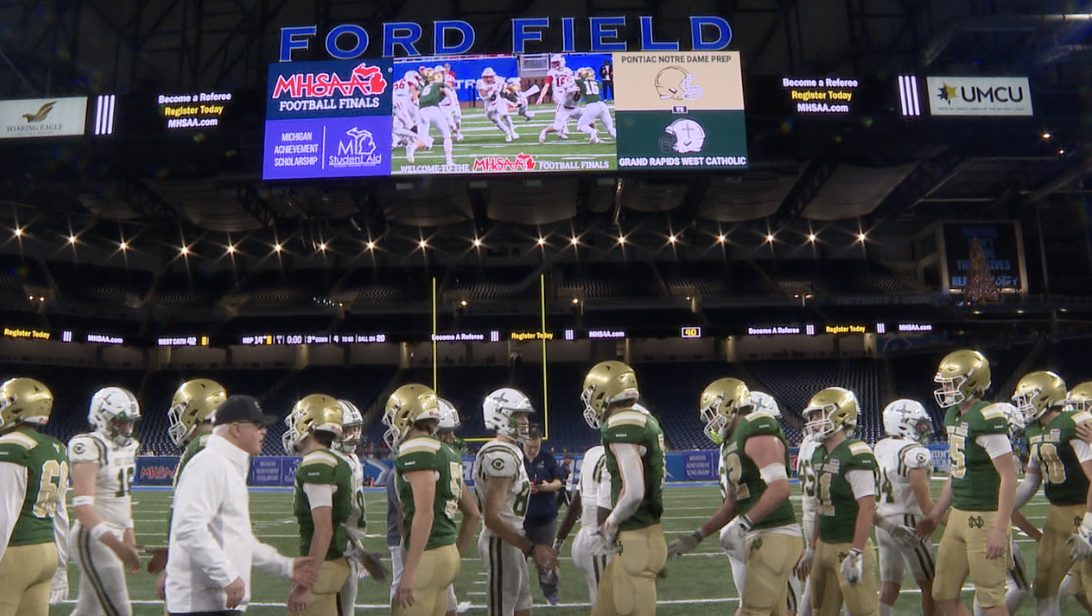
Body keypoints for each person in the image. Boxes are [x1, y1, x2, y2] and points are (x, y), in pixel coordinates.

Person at [165, 395, 316, 615]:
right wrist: (226, 575)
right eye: (258, 425)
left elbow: (239, 540)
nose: (264, 432)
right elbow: (189, 528)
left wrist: (285, 566)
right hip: (201, 605)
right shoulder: (210, 464)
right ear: (235, 429)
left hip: (216, 603)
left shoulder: (227, 466)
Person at [668, 379, 803, 616]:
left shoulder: (756, 425)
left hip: (775, 532)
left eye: (712, 412)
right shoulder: (732, 440)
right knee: (775, 612)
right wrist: (698, 535)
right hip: (758, 533)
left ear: (728, 403)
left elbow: (781, 488)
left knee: (753, 610)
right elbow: (732, 503)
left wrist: (744, 523)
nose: (711, 421)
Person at [915, 350, 1017, 616]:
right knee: (943, 593)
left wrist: (1000, 527)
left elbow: (1009, 475)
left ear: (972, 382)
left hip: (985, 518)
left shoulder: (986, 417)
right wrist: (936, 514)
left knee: (991, 600)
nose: (946, 389)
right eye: (945, 384)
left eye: (952, 383)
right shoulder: (953, 416)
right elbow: (956, 473)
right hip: (958, 516)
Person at [580, 361, 666, 616]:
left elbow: (635, 491)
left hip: (637, 536)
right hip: (638, 537)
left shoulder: (622, 423)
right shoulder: (642, 419)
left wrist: (611, 521)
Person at [386, 384, 479, 616]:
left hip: (427, 555)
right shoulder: (447, 452)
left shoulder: (416, 450)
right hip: (447, 552)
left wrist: (410, 568)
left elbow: (424, 513)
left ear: (405, 415)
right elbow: (473, 513)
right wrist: (454, 552)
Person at [1011, 371, 1092, 616]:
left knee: (1088, 585)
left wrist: (1088, 525)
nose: (1023, 406)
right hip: (1057, 513)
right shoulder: (1034, 430)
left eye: (1027, 399)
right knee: (1045, 585)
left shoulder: (1075, 422)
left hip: (1085, 507)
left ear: (1045, 397)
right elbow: (1030, 482)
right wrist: (1003, 508)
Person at [473, 387, 557, 616]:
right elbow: (492, 517)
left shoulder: (511, 450)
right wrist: (531, 548)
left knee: (522, 604)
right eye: (519, 415)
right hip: (500, 540)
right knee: (502, 609)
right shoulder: (499, 453)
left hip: (512, 539)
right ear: (500, 415)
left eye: (525, 415)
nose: (525, 421)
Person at [797, 387, 880, 616]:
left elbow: (867, 506)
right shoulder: (818, 453)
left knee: (864, 612)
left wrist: (856, 552)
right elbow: (819, 508)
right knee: (820, 611)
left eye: (818, 415)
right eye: (812, 417)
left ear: (841, 414)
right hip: (824, 544)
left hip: (847, 544)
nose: (813, 422)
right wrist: (813, 546)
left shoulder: (855, 453)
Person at [68, 386, 142, 616]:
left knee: (89, 611)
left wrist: (128, 535)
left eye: (129, 422)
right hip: (92, 538)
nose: (125, 428)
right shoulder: (89, 445)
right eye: (120, 421)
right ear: (101, 417)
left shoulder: (130, 447)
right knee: (119, 610)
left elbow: (123, 496)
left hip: (113, 535)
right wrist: (117, 546)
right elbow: (83, 509)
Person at [0, 377, 70, 616]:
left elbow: (3, 515)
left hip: (16, 552)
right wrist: (61, 565)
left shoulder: (11, 446)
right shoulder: (55, 447)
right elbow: (61, 514)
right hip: (46, 551)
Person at [151, 379, 228, 592]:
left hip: (199, 561)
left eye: (179, 413)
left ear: (193, 411)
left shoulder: (201, 447)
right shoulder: (225, 443)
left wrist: (172, 567)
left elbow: (189, 514)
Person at [283, 394, 353, 615]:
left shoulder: (317, 464)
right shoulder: (338, 461)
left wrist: (305, 584)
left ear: (309, 424)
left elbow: (323, 530)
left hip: (323, 565)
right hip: (336, 560)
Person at [873, 399, 937, 616]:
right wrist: (955, 522)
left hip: (883, 522)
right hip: (908, 522)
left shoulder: (881, 446)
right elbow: (926, 505)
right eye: (918, 424)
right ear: (902, 423)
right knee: (932, 584)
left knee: (890, 585)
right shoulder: (913, 452)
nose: (923, 429)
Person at [553, 443, 612, 604]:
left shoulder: (592, 453)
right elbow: (603, 515)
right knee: (607, 604)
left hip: (583, 541)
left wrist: (556, 546)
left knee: (603, 601)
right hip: (598, 541)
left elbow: (574, 507)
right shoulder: (615, 457)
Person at [523, 426, 564, 605]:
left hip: (544, 517)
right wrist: (524, 487)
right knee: (516, 561)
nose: (532, 450)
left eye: (536, 447)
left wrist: (548, 486)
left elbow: (559, 481)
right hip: (520, 518)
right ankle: (519, 594)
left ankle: (550, 593)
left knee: (546, 560)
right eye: (530, 446)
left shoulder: (547, 457)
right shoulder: (515, 457)